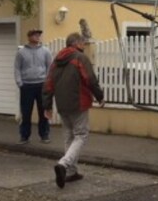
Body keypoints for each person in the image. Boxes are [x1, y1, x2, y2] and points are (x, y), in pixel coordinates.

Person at [42, 32, 104, 189]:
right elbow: (90, 79)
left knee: (69, 137)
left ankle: (71, 172)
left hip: (62, 104)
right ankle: (64, 164)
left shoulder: (57, 60)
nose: (84, 45)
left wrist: (47, 105)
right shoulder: (79, 58)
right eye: (82, 42)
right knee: (81, 135)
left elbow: (48, 82)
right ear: (76, 43)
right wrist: (99, 96)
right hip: (78, 102)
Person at [14, 28, 53, 144]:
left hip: (42, 85)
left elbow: (50, 67)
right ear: (29, 37)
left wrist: (48, 82)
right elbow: (17, 68)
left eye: (39, 35)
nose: (37, 37)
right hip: (27, 85)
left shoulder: (45, 51)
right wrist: (19, 82)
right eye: (35, 35)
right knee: (26, 112)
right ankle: (24, 136)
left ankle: (44, 135)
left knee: (43, 112)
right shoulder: (21, 52)